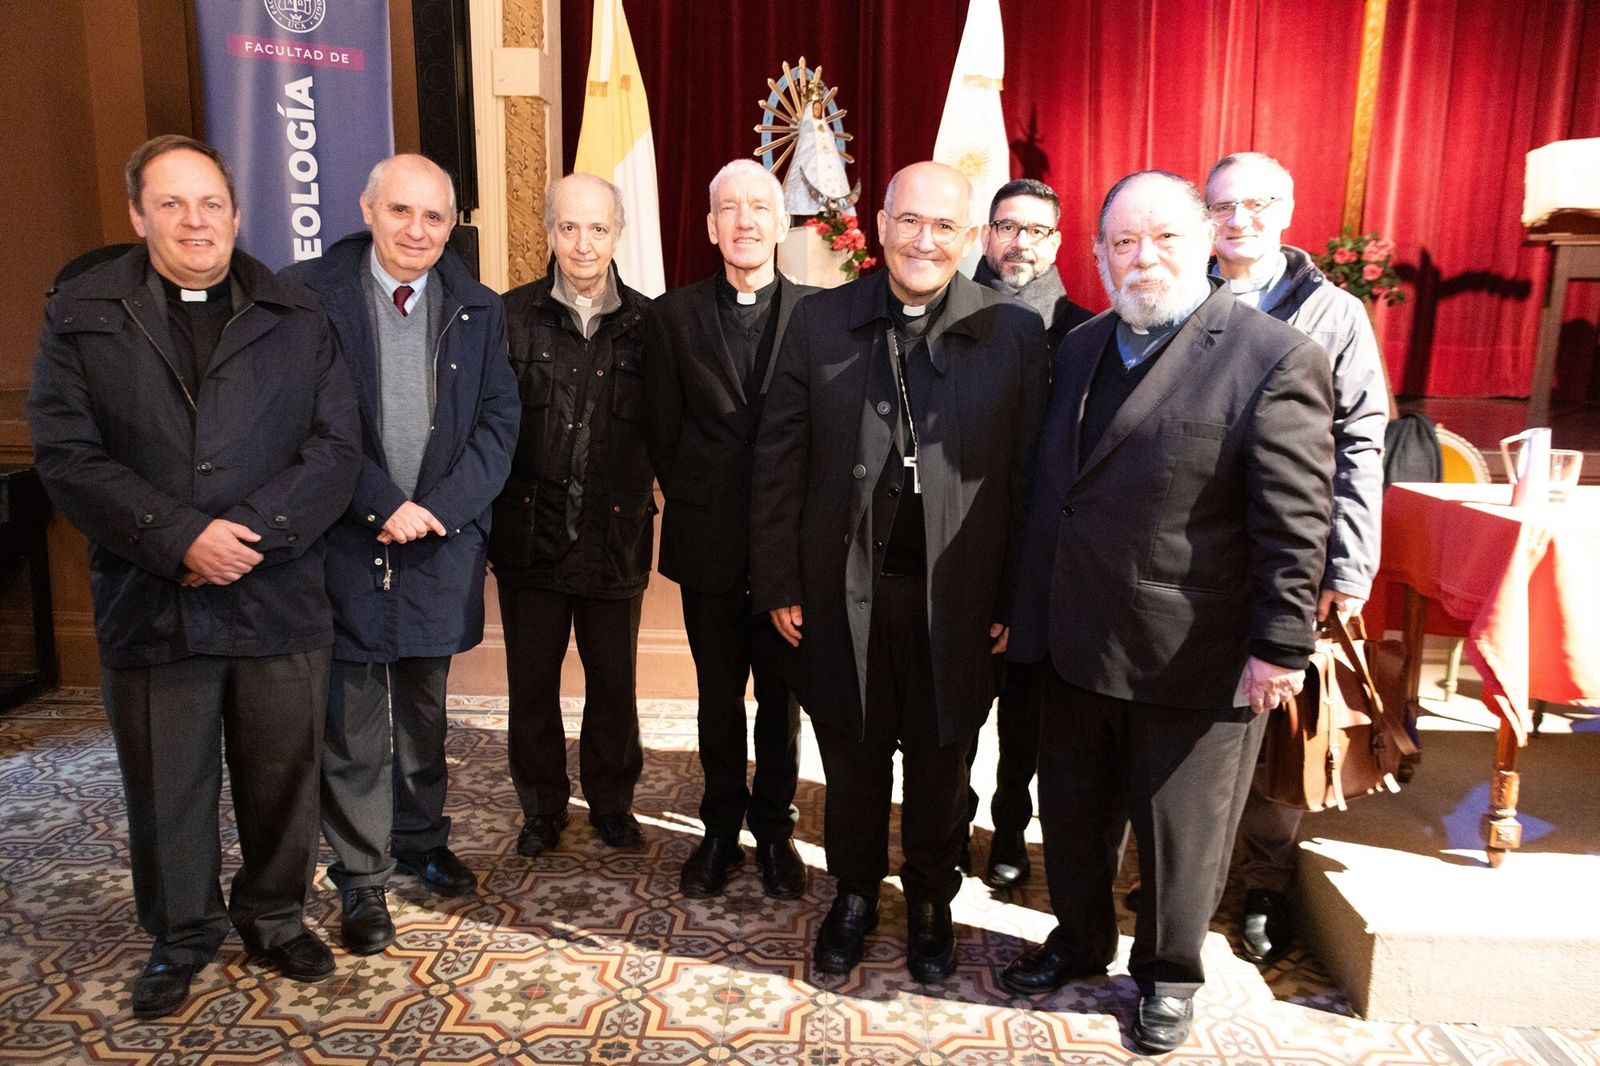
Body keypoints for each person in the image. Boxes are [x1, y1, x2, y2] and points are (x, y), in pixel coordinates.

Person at [27, 135, 361, 1017]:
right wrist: (180, 538)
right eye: (171, 204)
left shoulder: (297, 311)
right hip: (152, 595)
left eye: (210, 202)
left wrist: (244, 534)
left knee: (281, 772)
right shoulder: (81, 312)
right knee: (166, 781)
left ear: (237, 213)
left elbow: (336, 449)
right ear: (137, 216)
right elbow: (67, 455)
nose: (195, 221)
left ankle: (277, 915)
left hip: (276, 589)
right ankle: (181, 934)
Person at [1001, 170, 1332, 1054]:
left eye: (1164, 239)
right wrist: (1024, 617)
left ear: (1205, 243)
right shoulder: (1079, 346)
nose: (1142, 258)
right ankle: (1077, 941)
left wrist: (1280, 646)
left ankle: (1169, 977)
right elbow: (1050, 496)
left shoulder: (1271, 356)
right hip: (1075, 641)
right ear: (1100, 253)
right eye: (1121, 242)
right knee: (1069, 812)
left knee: (1181, 837)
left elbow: (1296, 522)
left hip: (1195, 653)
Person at [751, 161, 1049, 982]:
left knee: (942, 762)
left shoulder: (1014, 334)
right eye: (909, 221)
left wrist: (1017, 600)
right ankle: (852, 893)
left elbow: (1031, 483)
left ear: (971, 239)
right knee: (850, 758)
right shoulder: (818, 322)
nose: (925, 240)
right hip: (840, 599)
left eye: (945, 226)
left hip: (958, 605)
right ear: (879, 226)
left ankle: (929, 900)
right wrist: (778, 580)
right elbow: (778, 460)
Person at [280, 155, 519, 951]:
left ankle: (422, 841)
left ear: (454, 224)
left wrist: (437, 512)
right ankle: (362, 879)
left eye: (435, 217)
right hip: (346, 540)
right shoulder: (309, 297)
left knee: (424, 711)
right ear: (368, 208)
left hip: (438, 545)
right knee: (351, 721)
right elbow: (303, 426)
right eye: (401, 212)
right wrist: (384, 504)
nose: (418, 230)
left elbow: (498, 427)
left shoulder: (480, 307)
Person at [1204, 151, 1388, 963]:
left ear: (1285, 208)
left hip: (1292, 559)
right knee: (1188, 724)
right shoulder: (1179, 292)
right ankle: (1188, 883)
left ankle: (1265, 886)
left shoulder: (1333, 313)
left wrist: (1347, 567)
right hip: (1193, 557)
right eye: (1221, 206)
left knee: (1280, 729)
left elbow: (1361, 443)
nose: (1237, 220)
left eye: (1254, 204)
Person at [643, 159, 816, 900]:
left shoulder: (820, 315)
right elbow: (660, 431)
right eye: (729, 209)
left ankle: (774, 828)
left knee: (781, 703)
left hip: (790, 555)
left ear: (780, 224)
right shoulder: (670, 316)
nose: (745, 221)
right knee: (717, 697)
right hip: (708, 546)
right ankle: (719, 827)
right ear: (712, 227)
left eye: (760, 207)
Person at [492, 172, 655, 856]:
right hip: (528, 535)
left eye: (597, 228)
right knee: (531, 684)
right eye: (568, 227)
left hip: (615, 536)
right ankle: (541, 807)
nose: (582, 242)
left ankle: (612, 803)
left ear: (618, 233)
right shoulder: (507, 316)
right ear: (548, 232)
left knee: (613, 683)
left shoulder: (652, 325)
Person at [965, 177, 1094, 889]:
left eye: (1036, 231)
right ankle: (950, 818)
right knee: (951, 709)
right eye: (1007, 227)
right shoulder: (951, 314)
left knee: (1027, 717)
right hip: (960, 549)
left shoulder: (1085, 331)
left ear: (1056, 245)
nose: (1020, 243)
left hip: (1044, 556)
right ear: (986, 235)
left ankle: (1010, 826)